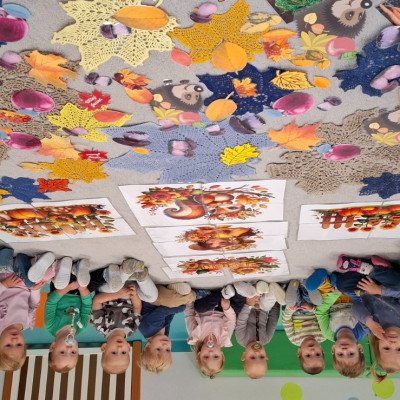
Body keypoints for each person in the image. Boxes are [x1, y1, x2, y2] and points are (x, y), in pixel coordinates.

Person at [335, 254, 400, 380]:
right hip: (391, 285)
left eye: (386, 348)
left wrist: (369, 322)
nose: (392, 343)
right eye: (399, 348)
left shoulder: (372, 329)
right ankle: (373, 269)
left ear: (378, 346)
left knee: (342, 284)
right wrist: (380, 290)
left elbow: (355, 307)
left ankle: (370, 268)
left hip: (368, 286)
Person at [90, 259, 158, 374]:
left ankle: (126, 270)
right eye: (123, 352)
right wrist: (134, 295)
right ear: (128, 348)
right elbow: (137, 308)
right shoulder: (132, 330)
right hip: (130, 292)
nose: (119, 348)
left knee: (114, 286)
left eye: (113, 352)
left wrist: (118, 294)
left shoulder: (101, 327)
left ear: (104, 348)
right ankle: (142, 277)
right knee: (152, 297)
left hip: (110, 291)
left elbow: (97, 300)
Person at [306, 269, 367, 378]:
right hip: (352, 297)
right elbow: (363, 305)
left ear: (333, 350)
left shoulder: (328, 333)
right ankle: (340, 280)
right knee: (363, 291)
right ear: (359, 348)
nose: (345, 350)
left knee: (317, 292)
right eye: (351, 354)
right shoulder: (362, 330)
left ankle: (325, 280)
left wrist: (334, 294)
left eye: (340, 354)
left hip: (332, 299)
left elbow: (320, 313)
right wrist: (345, 290)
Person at [0, 248, 54, 371]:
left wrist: (5, 285)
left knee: (5, 256)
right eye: (19, 344)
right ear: (24, 344)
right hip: (25, 286)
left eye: (8, 345)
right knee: (46, 276)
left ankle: (20, 265)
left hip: (6, 280)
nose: (14, 340)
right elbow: (33, 304)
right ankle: (36, 266)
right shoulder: (27, 323)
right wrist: (35, 291)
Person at [45, 257, 92, 373]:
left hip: (61, 291)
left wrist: (68, 288)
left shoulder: (50, 325)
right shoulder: (81, 327)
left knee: (62, 281)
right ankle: (80, 271)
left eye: (62, 352)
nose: (69, 347)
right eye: (73, 352)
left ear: (53, 346)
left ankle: (70, 269)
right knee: (95, 282)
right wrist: (83, 290)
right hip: (81, 293)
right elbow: (87, 306)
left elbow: (51, 302)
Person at [139, 283, 196, 373]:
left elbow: (163, 311)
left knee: (182, 299)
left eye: (159, 349)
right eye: (168, 350)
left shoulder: (149, 328)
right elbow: (169, 316)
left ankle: (179, 292)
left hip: (151, 298)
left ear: (147, 347)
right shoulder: (163, 335)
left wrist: (182, 307)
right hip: (161, 302)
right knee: (182, 297)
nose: (165, 345)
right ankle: (178, 292)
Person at [282, 279, 326, 375]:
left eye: (308, 355)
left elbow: (286, 321)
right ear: (322, 350)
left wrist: (290, 310)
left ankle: (293, 285)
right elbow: (322, 316)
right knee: (316, 301)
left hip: (295, 311)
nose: (312, 351)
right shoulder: (323, 335)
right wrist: (312, 309)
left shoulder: (294, 339)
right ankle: (308, 285)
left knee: (291, 301)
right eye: (317, 354)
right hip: (311, 309)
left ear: (299, 353)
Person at [235, 291, 280, 379]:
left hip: (246, 305)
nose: (257, 352)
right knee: (270, 299)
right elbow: (273, 320)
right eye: (261, 356)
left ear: (244, 356)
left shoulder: (241, 339)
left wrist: (248, 304)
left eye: (252, 357)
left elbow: (241, 321)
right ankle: (273, 290)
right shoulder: (266, 338)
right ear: (266, 356)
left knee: (239, 296)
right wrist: (276, 302)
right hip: (263, 306)